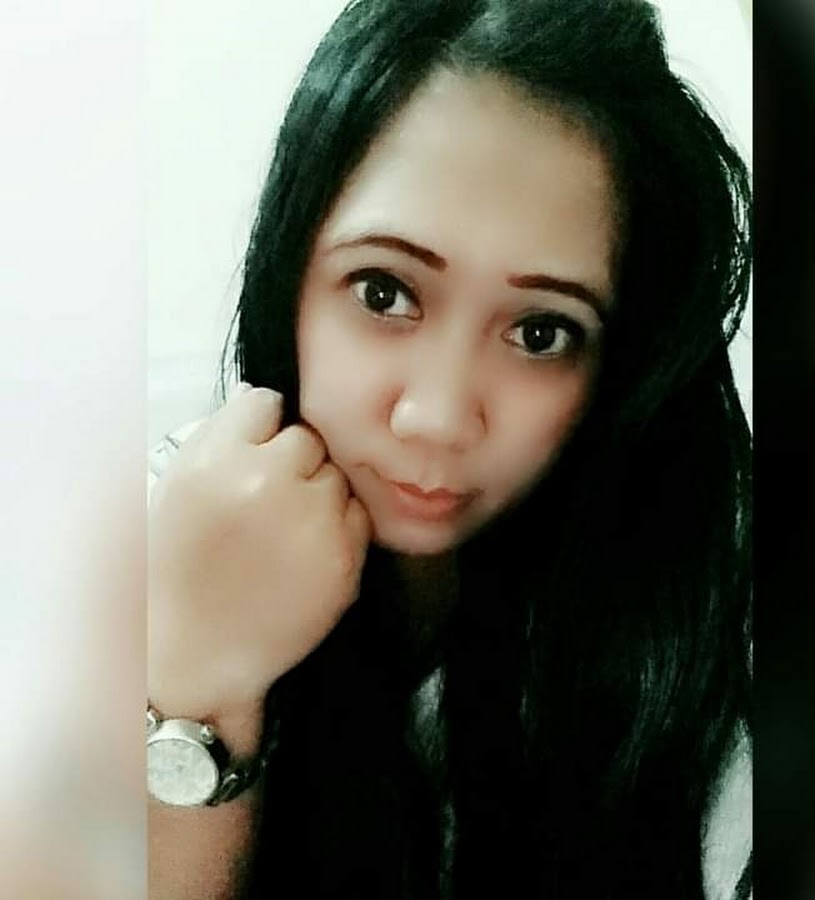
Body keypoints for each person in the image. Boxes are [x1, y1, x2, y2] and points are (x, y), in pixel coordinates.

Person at [148, 1, 752, 898]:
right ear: (290, 273)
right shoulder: (157, 528)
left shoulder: (710, 650)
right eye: (383, 292)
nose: (436, 418)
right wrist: (200, 687)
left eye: (541, 333)